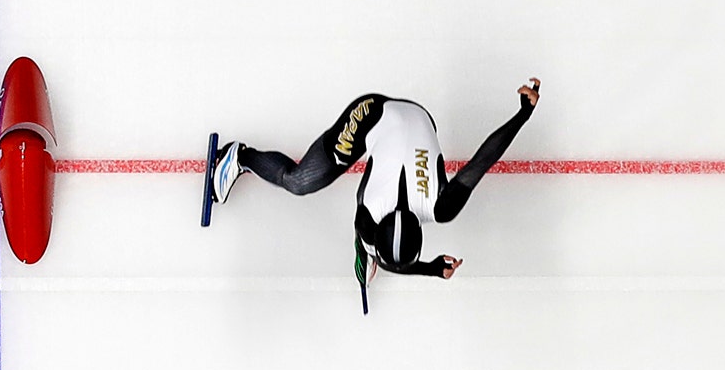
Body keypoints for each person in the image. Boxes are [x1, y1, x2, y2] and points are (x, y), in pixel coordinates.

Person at [210, 78, 541, 279]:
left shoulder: (441, 208)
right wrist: (423, 267)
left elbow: (484, 160)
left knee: (366, 198)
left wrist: (523, 113)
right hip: (371, 115)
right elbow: (483, 159)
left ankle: (368, 248)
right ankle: (238, 157)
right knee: (299, 181)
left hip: (420, 117)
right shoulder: (372, 211)